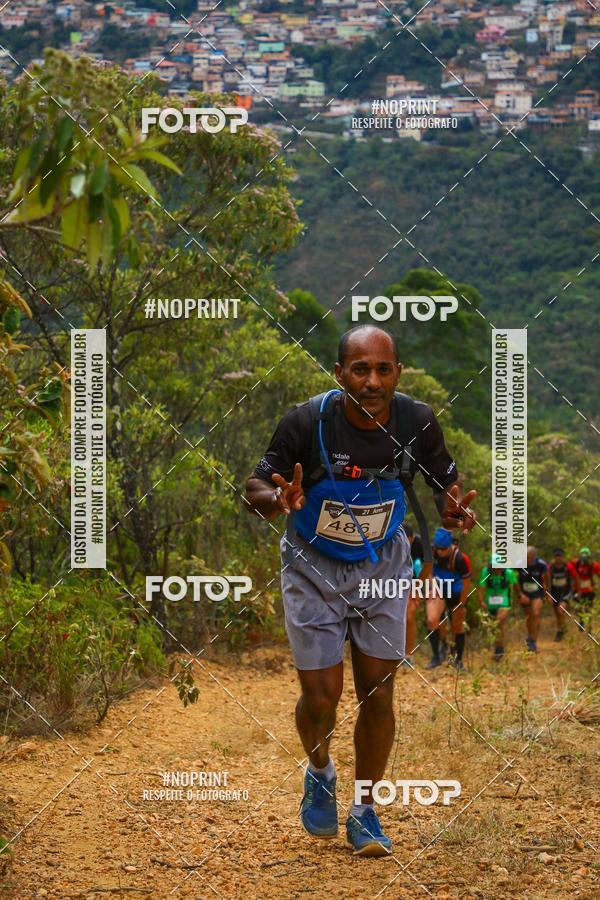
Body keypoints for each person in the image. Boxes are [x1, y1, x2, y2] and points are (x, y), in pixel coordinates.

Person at [244, 325, 477, 857]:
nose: (372, 381)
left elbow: (444, 484)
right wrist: (277, 500)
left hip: (383, 566)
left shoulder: (417, 421)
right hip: (312, 566)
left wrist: (452, 509)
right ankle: (320, 771)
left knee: (378, 692)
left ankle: (365, 810)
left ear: (398, 373)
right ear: (339, 373)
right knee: (321, 697)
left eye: (383, 369)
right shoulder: (306, 421)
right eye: (360, 369)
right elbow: (254, 486)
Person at [425, 527, 471, 672]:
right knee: (432, 620)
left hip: (456, 592)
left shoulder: (460, 559)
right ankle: (437, 656)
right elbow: (427, 571)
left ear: (450, 546)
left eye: (443, 549)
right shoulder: (431, 551)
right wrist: (432, 584)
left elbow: (466, 583)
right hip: (439, 589)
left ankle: (457, 660)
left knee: (457, 625)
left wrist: (461, 604)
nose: (439, 551)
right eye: (437, 548)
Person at [478, 556, 518, 660]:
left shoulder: (508, 573)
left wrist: (519, 597)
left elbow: (515, 585)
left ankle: (499, 649)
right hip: (490, 603)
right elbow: (481, 588)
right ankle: (497, 646)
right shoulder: (486, 572)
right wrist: (482, 602)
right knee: (493, 627)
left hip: (503, 602)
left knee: (499, 622)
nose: (496, 569)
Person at [401, 522, 424, 668]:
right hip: (394, 581)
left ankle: (408, 655)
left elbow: (428, 568)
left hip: (415, 580)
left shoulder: (419, 544)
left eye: (406, 540)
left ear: (412, 538)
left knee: (409, 616)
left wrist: (417, 590)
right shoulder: (391, 542)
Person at [517, 546, 548, 653]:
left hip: (537, 592)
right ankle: (530, 636)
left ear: (535, 556)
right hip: (525, 593)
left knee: (536, 613)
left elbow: (545, 580)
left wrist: (545, 594)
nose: (528, 559)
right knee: (529, 616)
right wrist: (520, 595)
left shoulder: (541, 564)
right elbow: (515, 580)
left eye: (530, 557)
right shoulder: (519, 564)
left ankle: (533, 641)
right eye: (526, 557)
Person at [547, 548, 578, 640]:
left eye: (560, 556)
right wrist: (547, 594)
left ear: (562, 557)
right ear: (554, 557)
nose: (558, 558)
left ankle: (560, 631)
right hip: (554, 592)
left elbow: (576, 578)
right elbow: (546, 580)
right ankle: (562, 629)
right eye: (556, 556)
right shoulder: (550, 567)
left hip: (566, 592)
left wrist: (577, 591)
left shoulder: (568, 566)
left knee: (561, 610)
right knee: (557, 613)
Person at [570, 547, 600, 626]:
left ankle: (589, 626)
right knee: (578, 607)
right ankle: (581, 621)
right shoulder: (575, 563)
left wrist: (596, 586)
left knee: (588, 608)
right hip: (577, 590)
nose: (584, 557)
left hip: (589, 590)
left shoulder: (594, 565)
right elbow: (568, 570)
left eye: (586, 556)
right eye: (582, 555)